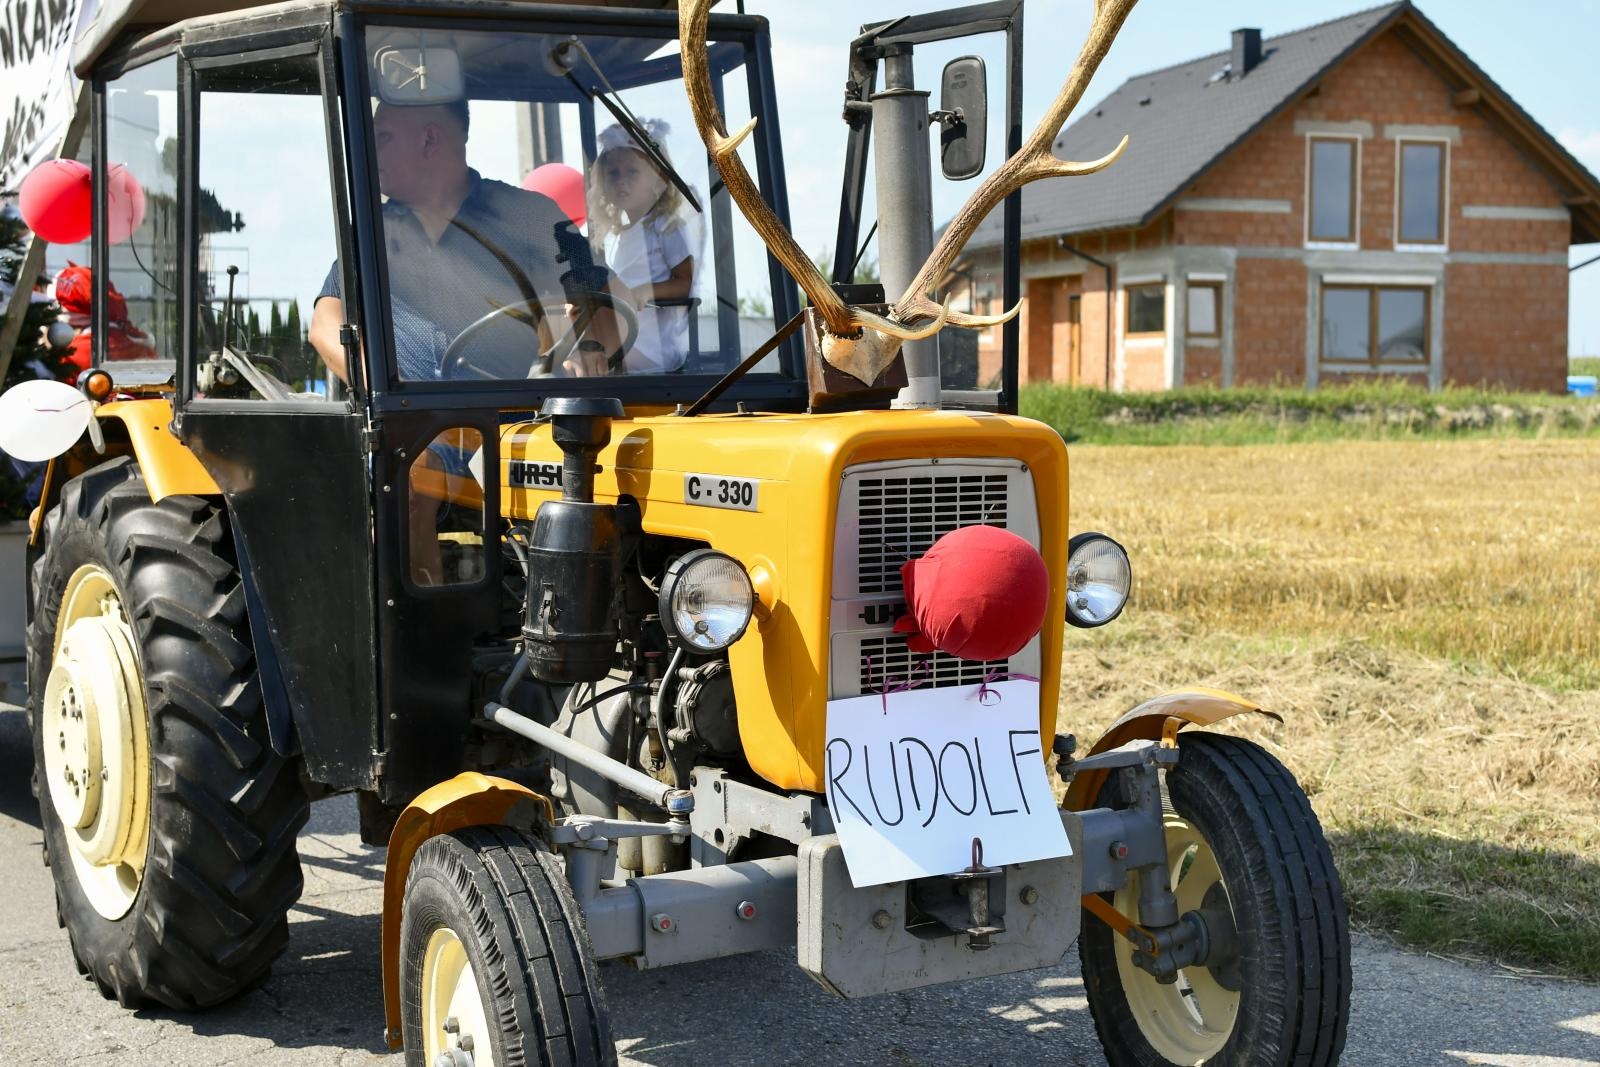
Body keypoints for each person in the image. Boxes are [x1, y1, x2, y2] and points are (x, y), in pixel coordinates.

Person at [308, 99, 621, 383]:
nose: (369, 152)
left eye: (383, 137)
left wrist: (588, 346)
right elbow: (325, 323)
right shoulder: (372, 230)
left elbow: (604, 301)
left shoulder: (531, 217)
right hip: (411, 431)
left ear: (429, 140)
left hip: (512, 425)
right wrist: (384, 387)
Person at [588, 120, 700, 374]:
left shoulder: (666, 226)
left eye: (632, 172)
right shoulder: (615, 236)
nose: (621, 181)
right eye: (613, 174)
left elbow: (685, 282)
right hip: (625, 342)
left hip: (654, 352)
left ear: (658, 177)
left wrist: (645, 291)